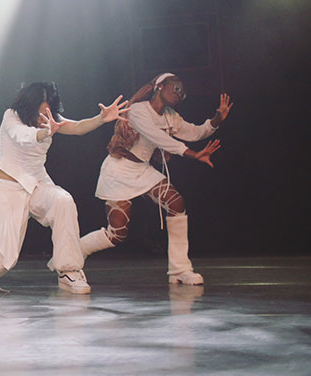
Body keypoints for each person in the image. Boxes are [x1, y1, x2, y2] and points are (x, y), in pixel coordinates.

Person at [0, 82, 128, 294]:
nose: (44, 116)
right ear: (29, 106)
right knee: (0, 262)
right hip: (9, 188)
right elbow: (22, 136)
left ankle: (68, 270)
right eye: (40, 112)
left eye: (47, 111)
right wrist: (45, 133)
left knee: (62, 201)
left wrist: (101, 118)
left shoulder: (52, 120)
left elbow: (77, 127)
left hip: (38, 183)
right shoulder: (11, 116)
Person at [79, 73, 231, 285]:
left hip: (142, 170)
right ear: (159, 86)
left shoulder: (171, 117)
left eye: (182, 91)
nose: (179, 93)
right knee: (117, 234)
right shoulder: (137, 111)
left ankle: (180, 270)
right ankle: (75, 251)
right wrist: (192, 154)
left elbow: (195, 132)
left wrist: (216, 120)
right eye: (175, 87)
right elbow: (156, 137)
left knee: (176, 204)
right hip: (118, 170)